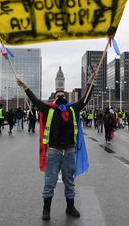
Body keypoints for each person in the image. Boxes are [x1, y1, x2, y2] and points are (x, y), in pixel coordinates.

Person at [17, 73, 96, 221]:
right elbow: (35, 101)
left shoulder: (73, 109)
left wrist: (92, 83)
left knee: (69, 181)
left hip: (69, 151)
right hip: (53, 151)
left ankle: (70, 207)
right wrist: (25, 87)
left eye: (63, 95)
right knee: (50, 181)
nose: (61, 97)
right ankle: (46, 209)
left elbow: (85, 100)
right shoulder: (49, 109)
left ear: (66, 98)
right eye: (58, 95)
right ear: (54, 98)